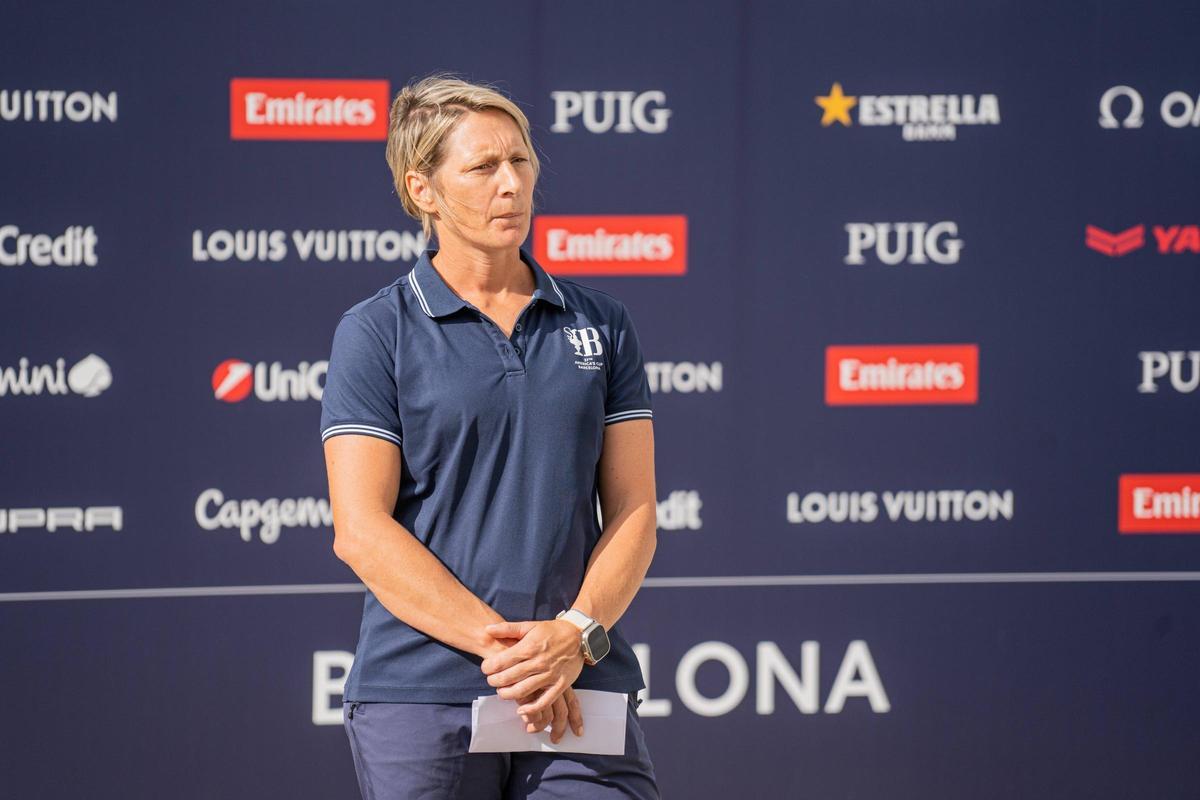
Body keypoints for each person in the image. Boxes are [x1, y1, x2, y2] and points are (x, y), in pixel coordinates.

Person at [319, 73, 660, 799]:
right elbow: (360, 530)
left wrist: (571, 637)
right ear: (423, 190)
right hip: (424, 690)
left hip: (579, 679)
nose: (512, 184)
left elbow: (635, 511)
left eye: (521, 160)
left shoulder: (600, 322)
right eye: (482, 166)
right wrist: (514, 654)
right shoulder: (376, 331)